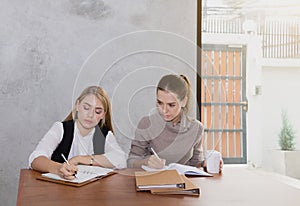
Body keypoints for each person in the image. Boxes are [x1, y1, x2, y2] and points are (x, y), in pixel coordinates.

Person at [127, 74, 223, 172]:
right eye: (160, 103)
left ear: (184, 102)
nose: (164, 110)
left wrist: (205, 164)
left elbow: (195, 164)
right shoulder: (147, 124)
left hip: (184, 184)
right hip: (152, 182)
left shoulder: (196, 128)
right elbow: (131, 161)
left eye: (171, 105)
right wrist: (146, 162)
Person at [29, 86, 126, 180]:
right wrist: (59, 168)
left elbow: (121, 160)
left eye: (97, 111)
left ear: (103, 115)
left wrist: (80, 159)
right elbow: (35, 158)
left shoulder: (105, 135)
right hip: (59, 190)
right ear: (77, 105)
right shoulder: (60, 129)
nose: (90, 115)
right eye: (86, 108)